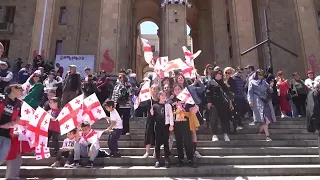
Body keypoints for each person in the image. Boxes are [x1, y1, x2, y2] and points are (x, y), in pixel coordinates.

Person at [172, 84, 198, 168]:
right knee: (178, 141)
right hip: (176, 123)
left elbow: (193, 108)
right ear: (173, 91)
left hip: (186, 122)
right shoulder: (171, 100)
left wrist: (195, 107)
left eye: (179, 89)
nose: (177, 90)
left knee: (187, 141)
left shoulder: (187, 99)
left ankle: (190, 159)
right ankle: (180, 159)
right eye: (175, 89)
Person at [248, 69, 276, 141]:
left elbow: (269, 90)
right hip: (257, 101)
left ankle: (263, 132)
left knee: (265, 117)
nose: (260, 76)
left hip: (265, 101)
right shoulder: (252, 82)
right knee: (262, 117)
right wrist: (250, 101)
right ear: (256, 75)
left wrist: (271, 86)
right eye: (259, 74)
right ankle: (267, 135)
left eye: (262, 74)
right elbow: (250, 92)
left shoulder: (264, 82)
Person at [206, 69, 232, 142]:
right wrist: (209, 102)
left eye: (220, 74)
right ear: (214, 74)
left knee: (224, 119)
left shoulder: (223, 83)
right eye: (217, 73)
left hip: (223, 103)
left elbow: (228, 94)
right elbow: (208, 92)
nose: (219, 75)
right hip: (214, 103)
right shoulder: (211, 82)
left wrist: (230, 103)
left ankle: (225, 134)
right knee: (213, 119)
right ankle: (214, 134)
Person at [149, 91, 174, 168]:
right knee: (157, 143)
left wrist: (171, 125)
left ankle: (167, 158)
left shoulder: (168, 105)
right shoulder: (155, 106)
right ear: (159, 96)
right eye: (161, 95)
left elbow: (171, 115)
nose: (163, 96)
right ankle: (157, 159)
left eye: (164, 95)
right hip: (158, 126)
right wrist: (151, 113)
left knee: (166, 143)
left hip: (166, 126)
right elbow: (152, 117)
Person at [0, 84, 23, 164]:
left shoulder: (19, 103)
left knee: (2, 157)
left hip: (7, 134)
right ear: (13, 89)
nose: (22, 92)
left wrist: (8, 125)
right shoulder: (1, 98)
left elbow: (18, 120)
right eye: (20, 90)